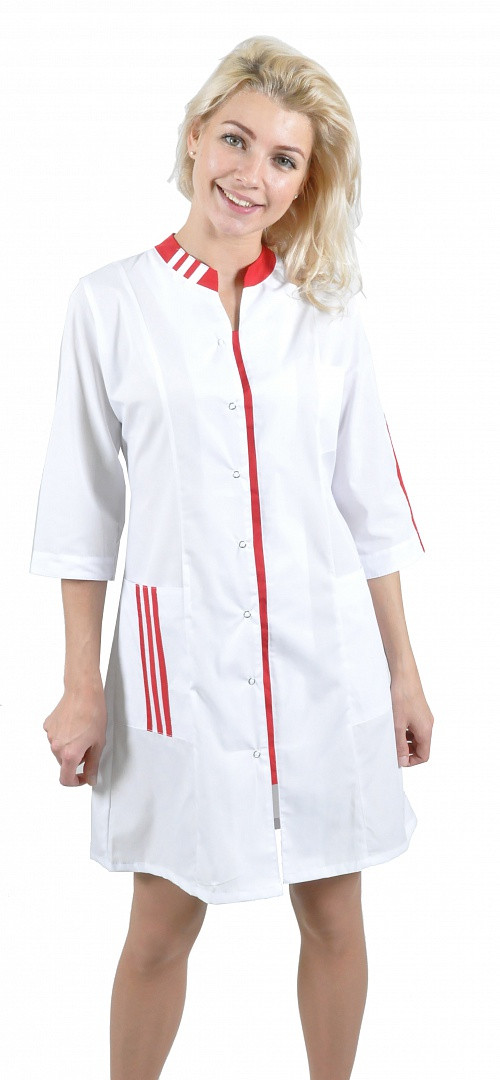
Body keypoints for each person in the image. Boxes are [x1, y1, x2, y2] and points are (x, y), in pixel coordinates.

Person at [29, 34, 434, 1080]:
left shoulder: (327, 311)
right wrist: (81, 685)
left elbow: (370, 504)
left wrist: (402, 670)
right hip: (181, 664)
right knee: (161, 924)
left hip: (324, 658)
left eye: (284, 158)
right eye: (236, 141)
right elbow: (83, 512)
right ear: (194, 138)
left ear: (305, 183)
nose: (252, 174)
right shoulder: (111, 303)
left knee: (334, 912)